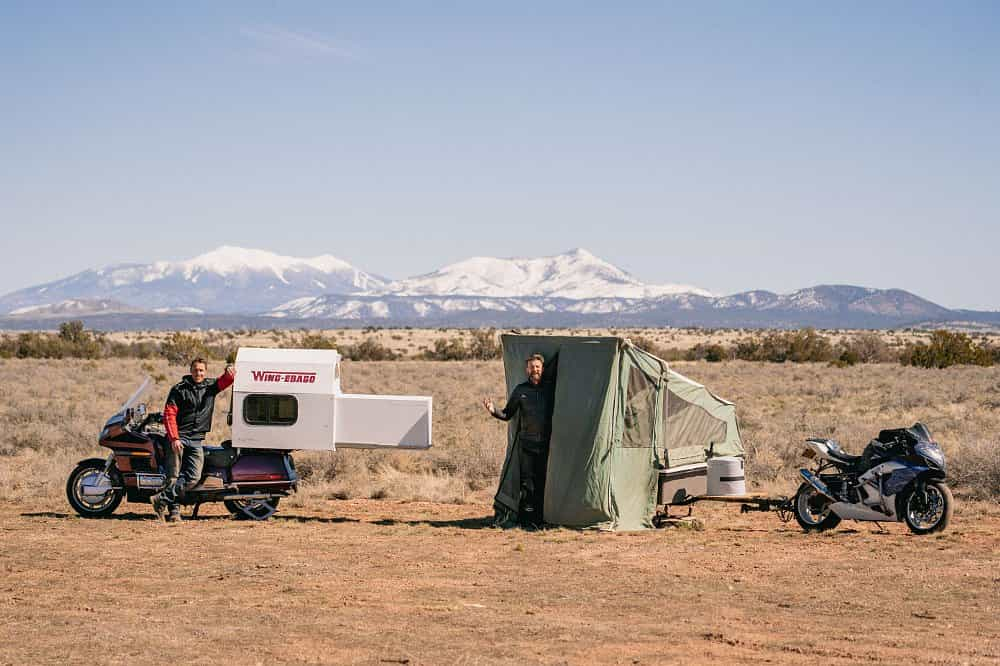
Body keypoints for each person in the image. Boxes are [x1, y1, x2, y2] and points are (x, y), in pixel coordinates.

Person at [151, 358, 235, 522]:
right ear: (191, 370)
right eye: (196, 370)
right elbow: (169, 414)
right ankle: (174, 512)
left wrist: (229, 369)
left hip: (196, 440)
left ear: (205, 371)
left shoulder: (210, 387)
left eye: (202, 370)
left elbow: (227, 380)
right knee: (173, 476)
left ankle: (160, 499)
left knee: (193, 477)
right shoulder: (179, 389)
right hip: (179, 438)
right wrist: (174, 438)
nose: (199, 373)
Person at [482, 353, 555, 527]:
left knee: (543, 481)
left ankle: (540, 519)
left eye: (537, 366)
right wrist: (493, 410)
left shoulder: (551, 390)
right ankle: (527, 520)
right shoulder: (521, 390)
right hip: (526, 445)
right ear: (526, 369)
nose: (534, 370)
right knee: (527, 483)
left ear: (542, 369)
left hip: (546, 446)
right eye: (531, 367)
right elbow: (507, 414)